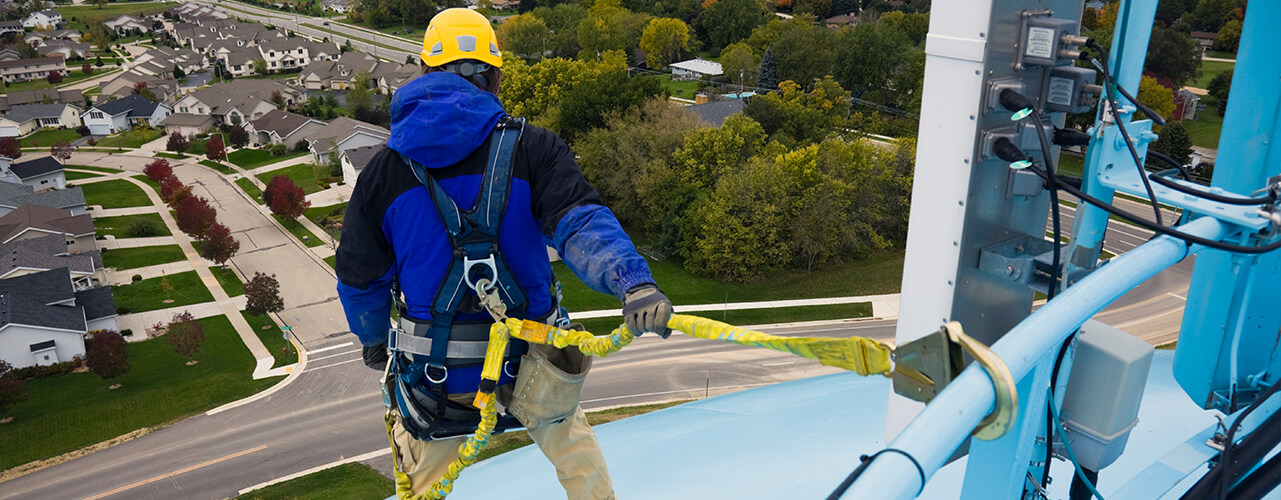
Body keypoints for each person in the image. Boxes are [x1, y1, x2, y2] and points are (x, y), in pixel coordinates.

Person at [335, 8, 673, 500]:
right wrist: (633, 283)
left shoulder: (382, 174)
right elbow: (581, 223)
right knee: (577, 456)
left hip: (438, 381)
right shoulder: (533, 149)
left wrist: (373, 340)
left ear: (426, 71)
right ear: (492, 76)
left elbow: (360, 279)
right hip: (536, 366)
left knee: (423, 487)